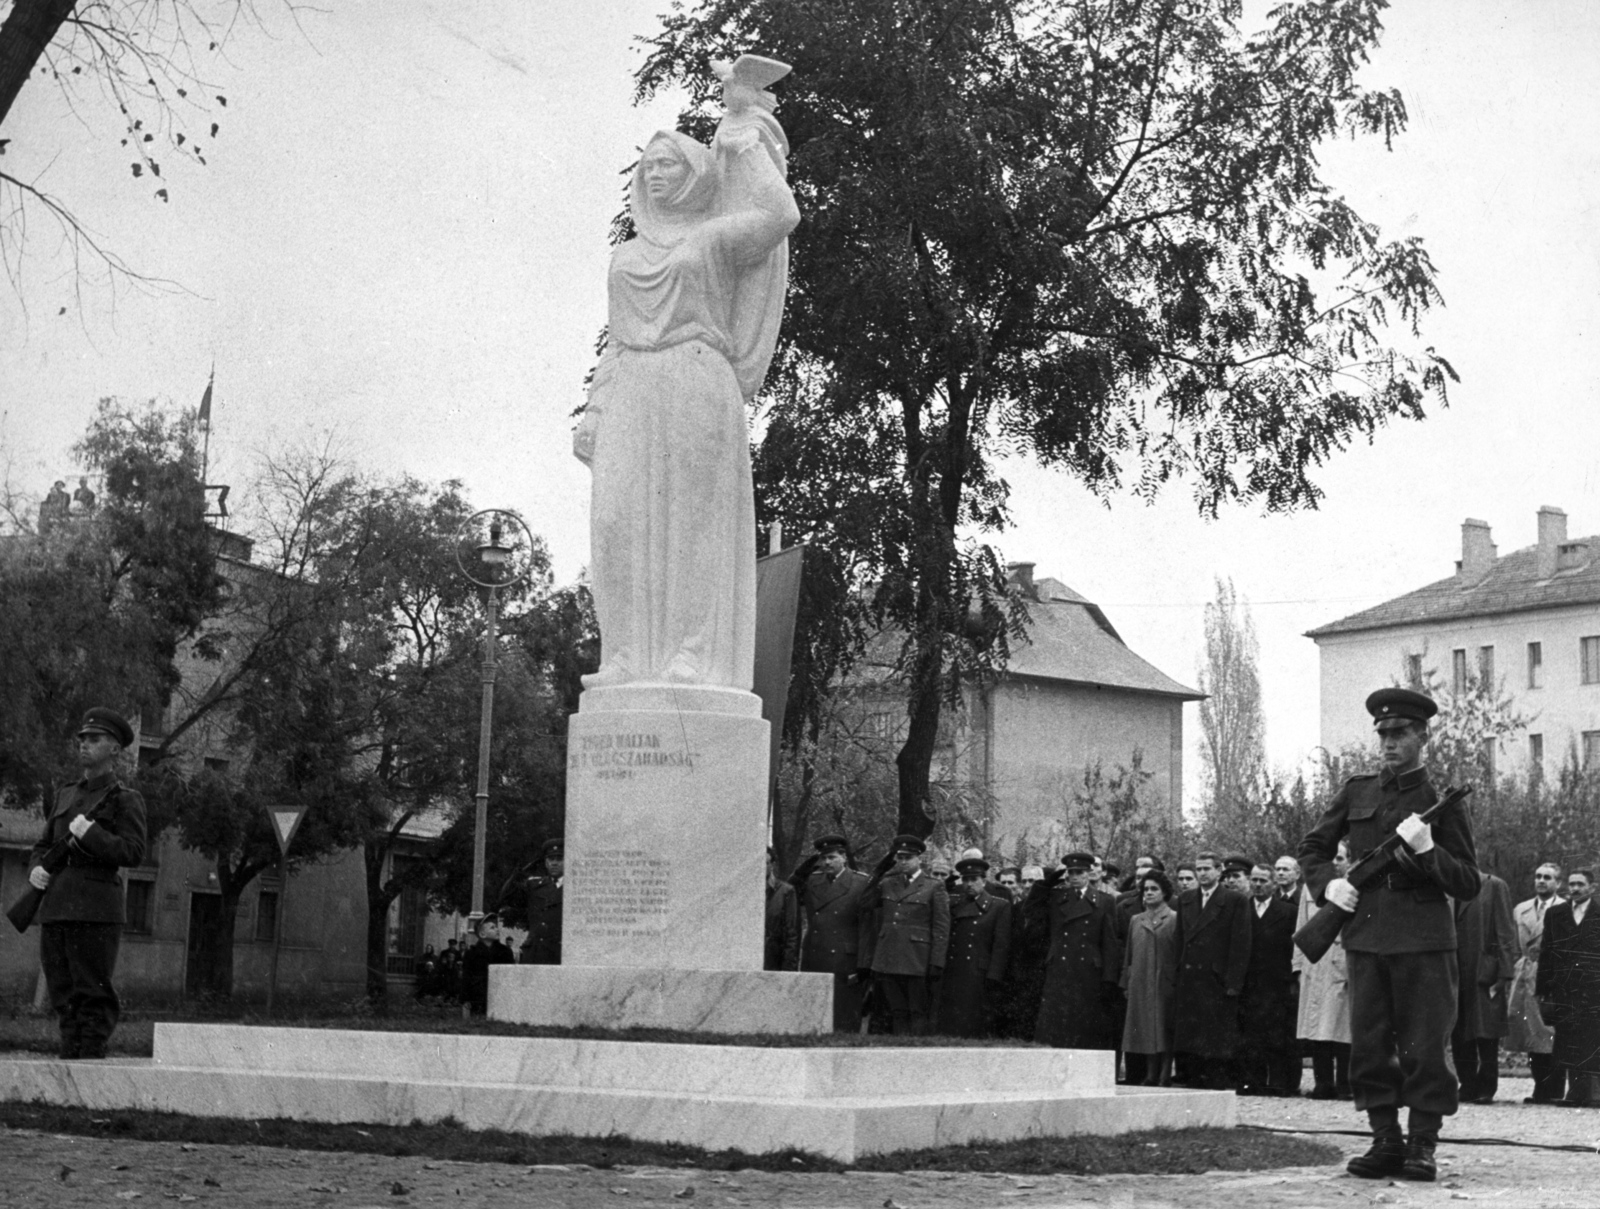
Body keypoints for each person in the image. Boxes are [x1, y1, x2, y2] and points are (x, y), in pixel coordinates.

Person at [572, 90, 799, 691]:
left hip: (697, 375)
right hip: (632, 385)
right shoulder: (626, 253)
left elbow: (780, 216)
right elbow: (617, 339)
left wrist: (742, 138)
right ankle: (622, 654)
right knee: (616, 521)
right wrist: (594, 410)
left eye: (669, 164)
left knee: (692, 522)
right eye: (649, 168)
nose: (657, 174)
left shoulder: (716, 237)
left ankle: (692, 651)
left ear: (696, 173)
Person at [1299, 687, 1479, 1182]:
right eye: (1383, 734)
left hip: (1424, 937)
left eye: (1400, 734)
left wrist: (1427, 852)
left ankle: (1422, 1142)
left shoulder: (1439, 803)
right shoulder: (1358, 791)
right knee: (1370, 1045)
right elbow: (1313, 846)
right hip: (1366, 935)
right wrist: (1329, 885)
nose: (1389, 743)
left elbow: (1468, 881)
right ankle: (1385, 1139)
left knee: (1425, 1044)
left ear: (1423, 736)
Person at [25, 708, 148, 1059]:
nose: (84, 746)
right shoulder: (65, 795)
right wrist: (36, 868)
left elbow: (133, 851)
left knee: (93, 989)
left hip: (96, 908)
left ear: (114, 750)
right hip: (57, 904)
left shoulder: (126, 799)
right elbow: (44, 845)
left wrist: (92, 834)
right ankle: (69, 1057)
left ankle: (91, 1059)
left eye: (94, 740)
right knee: (62, 989)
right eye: (82, 739)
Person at [1171, 852, 1252, 1089]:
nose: (1203, 873)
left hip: (1216, 978)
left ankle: (1214, 1081)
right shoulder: (1185, 899)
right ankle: (1193, 1078)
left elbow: (1241, 943)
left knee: (1215, 1035)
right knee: (1192, 1033)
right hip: (1190, 976)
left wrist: (1234, 982)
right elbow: (1180, 940)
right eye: (1199, 869)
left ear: (1218, 871)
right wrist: (1177, 972)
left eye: (1207, 868)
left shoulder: (1234, 900)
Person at [1030, 851, 1120, 1050]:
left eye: (1080, 872)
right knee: (1057, 1029)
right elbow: (1032, 908)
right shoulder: (1056, 896)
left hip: (1089, 972)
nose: (1075, 877)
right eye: (1071, 873)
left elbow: (1110, 943)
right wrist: (1047, 882)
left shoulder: (1105, 901)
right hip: (1060, 970)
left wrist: (1109, 978)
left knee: (1086, 1029)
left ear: (1089, 873)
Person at [860, 834, 950, 1035]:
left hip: (917, 959)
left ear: (919, 859)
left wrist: (937, 961)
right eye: (899, 857)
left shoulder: (933, 886)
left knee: (917, 1011)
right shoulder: (888, 882)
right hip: (888, 957)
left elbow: (941, 927)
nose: (903, 862)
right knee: (897, 1010)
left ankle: (916, 1051)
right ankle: (899, 1047)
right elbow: (864, 904)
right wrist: (879, 872)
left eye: (908, 857)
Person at [792, 834, 873, 1031]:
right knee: (812, 1017)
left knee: (843, 1014)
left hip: (845, 958)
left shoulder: (861, 883)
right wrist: (810, 862)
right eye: (823, 858)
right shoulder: (812, 880)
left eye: (832, 857)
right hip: (815, 953)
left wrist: (863, 964)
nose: (826, 862)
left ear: (844, 857)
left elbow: (867, 927)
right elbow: (790, 887)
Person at [1535, 868, 1600, 1108]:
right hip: (1564, 989)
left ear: (1591, 888)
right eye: (1571, 884)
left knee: (1592, 1038)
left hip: (1594, 990)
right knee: (1567, 1038)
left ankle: (1592, 1093)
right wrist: (1542, 988)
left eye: (1580, 884)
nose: (1574, 888)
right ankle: (1574, 1092)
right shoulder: (1556, 914)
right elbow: (1546, 952)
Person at [1451, 870, 1516, 1104]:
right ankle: (1466, 1083)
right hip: (1452, 971)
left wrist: (1505, 973)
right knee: (1458, 1030)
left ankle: (1487, 1086)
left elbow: (1506, 931)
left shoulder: (1493, 885)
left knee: (1486, 1030)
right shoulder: (1444, 887)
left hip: (1483, 970)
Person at [1295, 841, 1353, 1100]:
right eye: (1331, 859)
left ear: (1349, 861)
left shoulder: (1356, 886)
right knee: (1318, 1026)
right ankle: (1323, 1083)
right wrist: (1298, 965)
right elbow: (1302, 927)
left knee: (1343, 1027)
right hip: (1315, 963)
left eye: (1340, 859)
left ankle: (1345, 1083)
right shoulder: (1311, 887)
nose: (1335, 864)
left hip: (1344, 961)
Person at [1238, 862, 1301, 1096]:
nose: (1257, 885)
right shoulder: (1241, 909)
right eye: (1254, 880)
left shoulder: (1288, 912)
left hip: (1278, 983)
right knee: (1249, 1036)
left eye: (1263, 880)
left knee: (1277, 1036)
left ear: (1273, 884)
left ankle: (1279, 1083)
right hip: (1249, 983)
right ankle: (1251, 1082)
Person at [935, 855, 1012, 1037]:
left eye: (974, 879)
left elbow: (1001, 945)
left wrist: (994, 975)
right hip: (953, 970)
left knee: (973, 1023)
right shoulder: (953, 903)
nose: (969, 884)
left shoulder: (998, 906)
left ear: (984, 881)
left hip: (979, 973)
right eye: (965, 879)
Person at [1508, 863, 1564, 1103]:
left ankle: (1554, 1089)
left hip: (1551, 973)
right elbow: (1512, 943)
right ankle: (1539, 1086)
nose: (1542, 881)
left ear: (1558, 883)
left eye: (1548, 878)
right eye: (1539, 876)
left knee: (1551, 1032)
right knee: (1529, 1033)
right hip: (1525, 973)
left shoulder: (1565, 908)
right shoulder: (1521, 909)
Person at [1121, 870, 1179, 1085]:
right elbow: (1129, 955)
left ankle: (1165, 1073)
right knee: (1145, 1028)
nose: (1149, 893)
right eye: (1146, 889)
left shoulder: (1173, 918)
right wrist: (1126, 982)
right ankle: (1150, 1073)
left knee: (1163, 1028)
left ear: (1164, 892)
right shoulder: (1136, 920)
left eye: (1154, 889)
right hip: (1140, 982)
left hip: (1163, 981)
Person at [519, 838, 564, 966]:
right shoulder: (534, 885)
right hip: (536, 952)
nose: (554, 863)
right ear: (545, 862)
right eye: (551, 859)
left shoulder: (574, 889)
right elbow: (506, 898)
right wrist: (522, 871)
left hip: (559, 953)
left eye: (559, 859)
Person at [460, 913, 515, 1015]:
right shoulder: (472, 953)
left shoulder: (505, 952)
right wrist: (465, 999)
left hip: (500, 997)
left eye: (496, 927)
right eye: (492, 928)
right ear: (482, 934)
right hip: (478, 999)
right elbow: (466, 976)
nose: (497, 929)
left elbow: (510, 976)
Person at [764, 848, 800, 971]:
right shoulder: (742, 894)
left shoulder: (785, 892)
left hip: (774, 964)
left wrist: (788, 969)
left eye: (765, 863)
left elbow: (792, 933)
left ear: (772, 865)